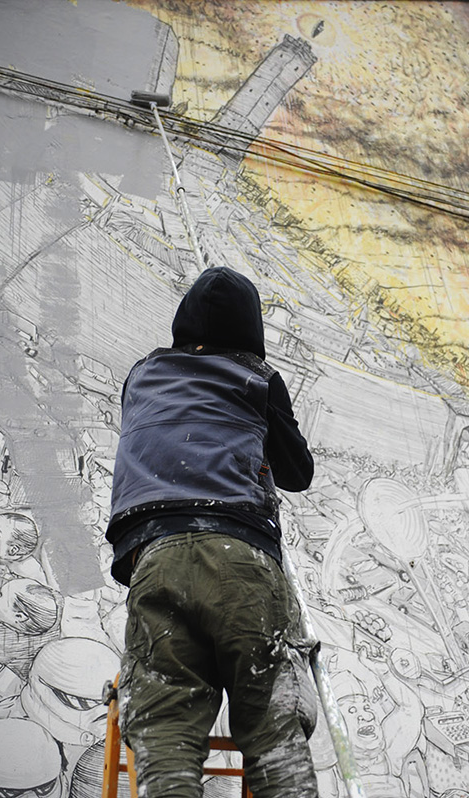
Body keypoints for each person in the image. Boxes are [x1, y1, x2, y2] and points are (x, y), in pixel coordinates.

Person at [106, 266, 318, 797]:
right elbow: (298, 473)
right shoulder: (256, 377)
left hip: (155, 557)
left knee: (167, 726)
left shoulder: (143, 375)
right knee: (272, 728)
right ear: (252, 330)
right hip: (239, 556)